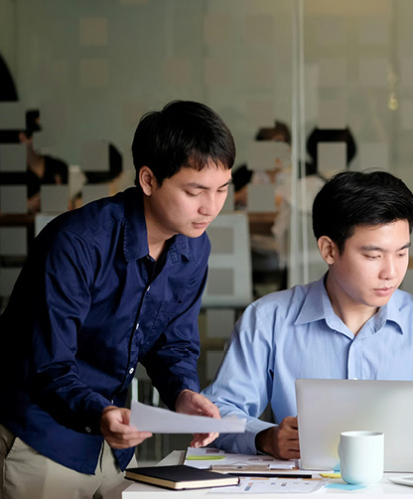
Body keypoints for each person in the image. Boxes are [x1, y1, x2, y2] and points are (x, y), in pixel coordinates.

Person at [0, 100, 236, 499]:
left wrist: (183, 393)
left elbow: (172, 345)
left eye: (221, 190)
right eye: (195, 191)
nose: (210, 207)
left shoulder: (193, 248)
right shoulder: (77, 243)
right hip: (41, 436)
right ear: (148, 180)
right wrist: (101, 413)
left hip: (114, 446)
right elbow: (49, 368)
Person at [203, 171, 413, 466]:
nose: (391, 272)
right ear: (329, 250)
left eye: (401, 254)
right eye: (374, 256)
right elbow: (219, 411)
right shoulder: (268, 320)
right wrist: (266, 438)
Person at [0, 109, 69, 213]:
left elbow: (68, 207)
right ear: (23, 138)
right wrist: (24, 206)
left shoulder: (59, 167)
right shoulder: (9, 172)